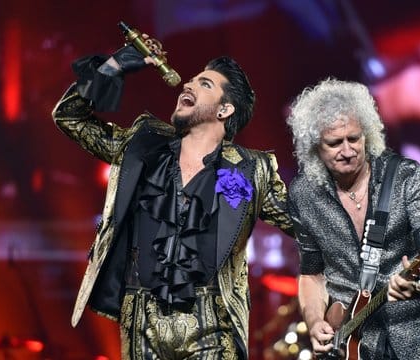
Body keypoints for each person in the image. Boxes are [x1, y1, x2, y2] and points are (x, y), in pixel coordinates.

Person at [52, 37, 292, 359]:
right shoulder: (142, 146)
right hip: (140, 318)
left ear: (225, 109)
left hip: (212, 322)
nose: (188, 85)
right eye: (190, 80)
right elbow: (70, 117)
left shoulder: (250, 170)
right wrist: (114, 66)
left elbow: (308, 224)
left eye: (204, 83)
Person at [286, 78, 420, 359]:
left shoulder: (408, 176)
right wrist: (315, 322)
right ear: (314, 147)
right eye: (334, 143)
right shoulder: (303, 194)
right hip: (360, 345)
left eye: (354, 139)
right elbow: (312, 273)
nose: (347, 151)